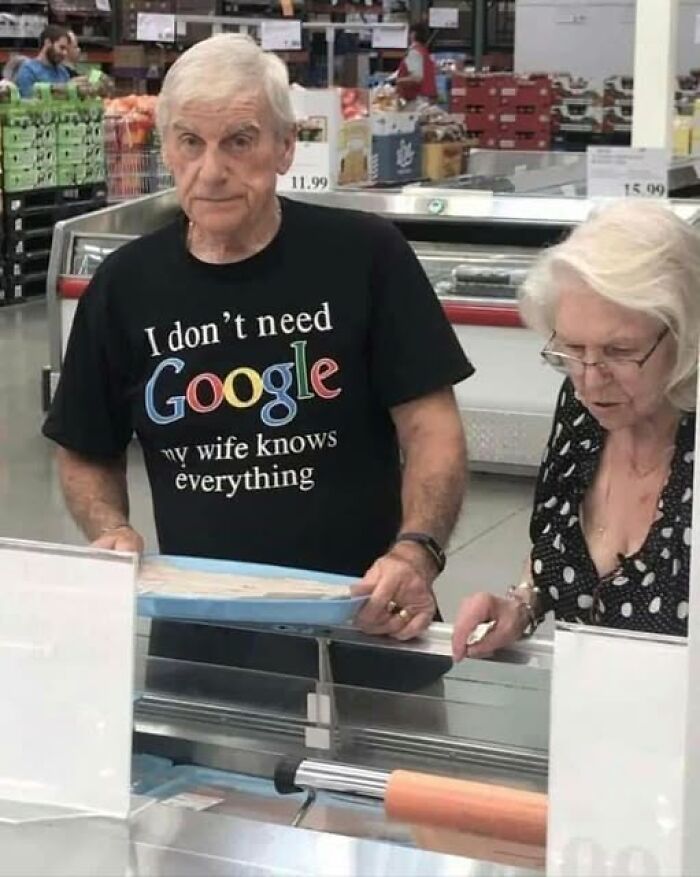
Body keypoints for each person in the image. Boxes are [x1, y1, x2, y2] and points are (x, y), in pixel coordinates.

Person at [43, 34, 472, 691]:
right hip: (199, 636)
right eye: (190, 142)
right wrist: (112, 530)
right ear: (167, 150)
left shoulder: (366, 257)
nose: (211, 170)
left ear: (286, 146)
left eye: (239, 141)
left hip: (371, 621)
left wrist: (418, 550)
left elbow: (431, 428)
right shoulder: (124, 286)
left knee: (390, 761)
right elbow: (84, 446)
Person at [453, 200, 698, 662]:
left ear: (685, 336)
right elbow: (557, 547)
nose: (590, 378)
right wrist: (521, 605)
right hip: (585, 700)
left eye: (619, 351)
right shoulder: (583, 413)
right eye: (571, 349)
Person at [15, 25, 71, 98]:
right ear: (48, 43)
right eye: (61, 48)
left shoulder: (63, 73)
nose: (65, 53)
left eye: (66, 49)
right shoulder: (28, 70)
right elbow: (28, 100)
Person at [395, 23, 437, 103]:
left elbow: (417, 78)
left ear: (413, 34)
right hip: (426, 97)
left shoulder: (414, 52)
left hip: (418, 99)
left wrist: (398, 81)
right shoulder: (424, 52)